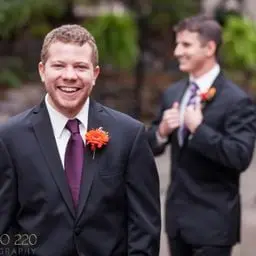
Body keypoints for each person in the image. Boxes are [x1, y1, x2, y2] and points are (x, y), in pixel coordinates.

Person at [0, 24, 161, 256]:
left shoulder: (129, 135)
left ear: (94, 74)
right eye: (59, 65)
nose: (69, 76)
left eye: (80, 67)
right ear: (42, 70)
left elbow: (144, 228)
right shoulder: (9, 138)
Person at [147, 14, 256, 256]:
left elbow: (240, 156)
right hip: (177, 222)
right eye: (177, 44)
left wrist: (199, 129)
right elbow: (149, 145)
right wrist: (162, 132)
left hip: (214, 224)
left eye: (186, 45)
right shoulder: (173, 93)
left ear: (209, 48)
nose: (177, 51)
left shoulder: (237, 101)